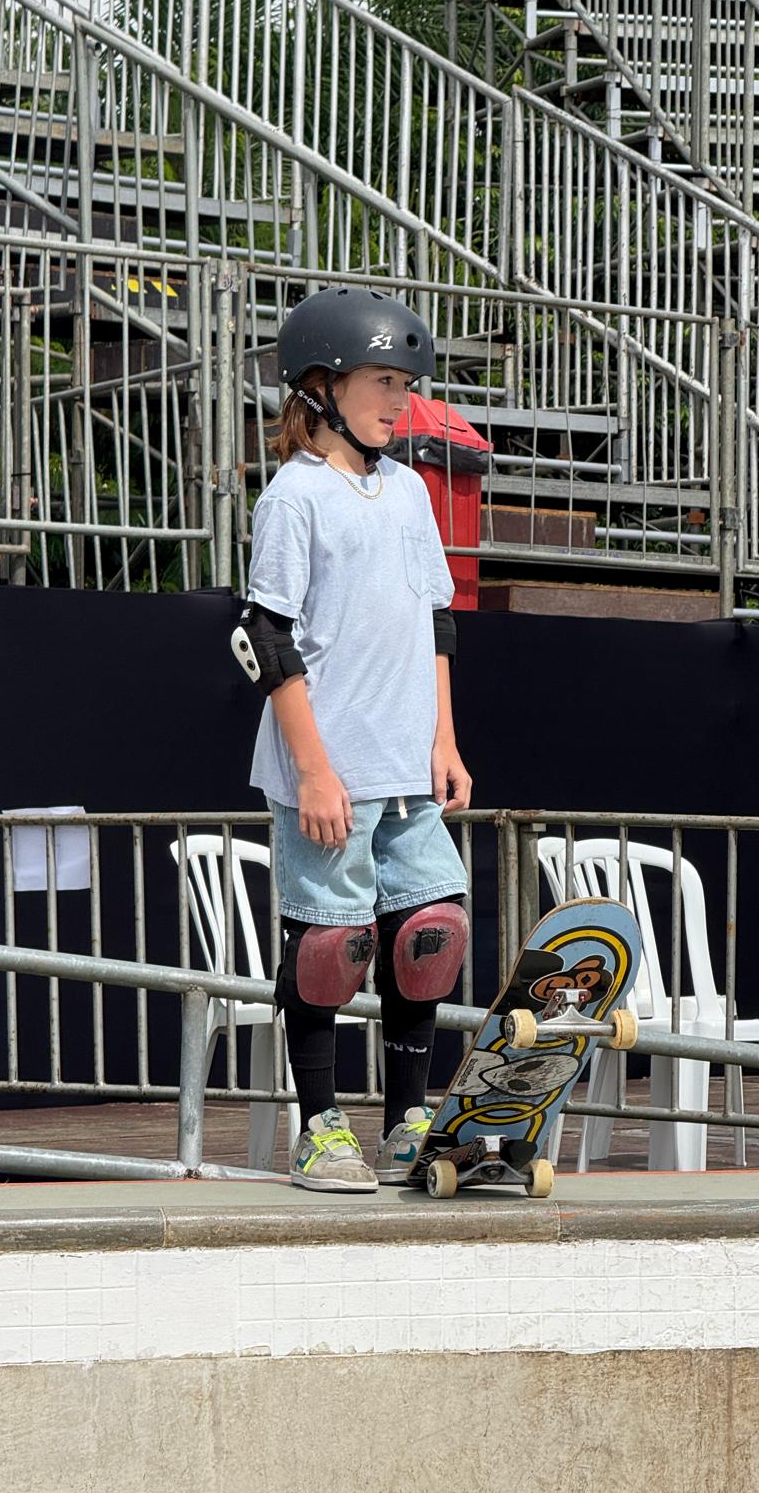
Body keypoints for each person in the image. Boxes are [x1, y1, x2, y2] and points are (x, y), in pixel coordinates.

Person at [237, 286, 473, 1192]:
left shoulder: (409, 492)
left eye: (406, 385)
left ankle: (408, 1121)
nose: (399, 402)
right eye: (382, 381)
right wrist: (313, 772)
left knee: (430, 934)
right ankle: (320, 1129)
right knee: (330, 951)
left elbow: (436, 621)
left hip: (408, 767)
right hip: (330, 771)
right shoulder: (295, 497)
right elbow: (266, 638)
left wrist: (444, 740)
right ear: (322, 384)